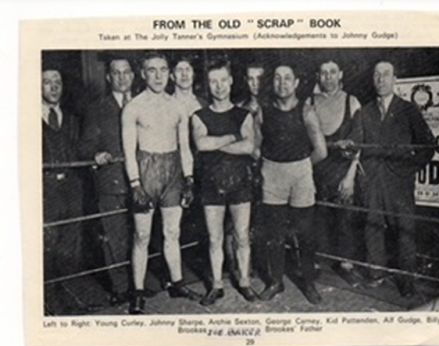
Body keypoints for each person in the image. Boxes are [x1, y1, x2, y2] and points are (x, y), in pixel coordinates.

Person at [121, 51, 201, 314]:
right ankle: (137, 293)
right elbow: (129, 151)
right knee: (142, 235)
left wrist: (189, 178)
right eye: (152, 70)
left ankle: (177, 283)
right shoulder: (133, 107)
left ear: (169, 73)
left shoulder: (178, 106)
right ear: (143, 74)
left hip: (173, 171)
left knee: (172, 232)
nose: (158, 76)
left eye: (163, 70)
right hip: (145, 171)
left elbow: (185, 148)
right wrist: (134, 184)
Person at [350, 61, 435, 297]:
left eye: (386, 74)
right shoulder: (364, 111)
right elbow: (356, 145)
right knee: (372, 228)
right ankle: (376, 275)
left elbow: (428, 146)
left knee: (405, 230)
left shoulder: (408, 110)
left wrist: (407, 171)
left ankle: (407, 282)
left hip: (399, 182)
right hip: (372, 181)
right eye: (376, 74)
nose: (380, 79)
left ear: (395, 79)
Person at [257, 63, 327, 304]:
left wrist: (301, 166)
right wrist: (271, 167)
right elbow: (256, 147)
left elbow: (321, 151)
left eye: (288, 78)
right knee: (273, 233)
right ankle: (276, 282)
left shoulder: (306, 111)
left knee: (305, 233)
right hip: (272, 174)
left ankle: (308, 282)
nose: (282, 83)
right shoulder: (263, 111)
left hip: (300, 173)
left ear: (296, 82)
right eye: (277, 78)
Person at [192, 59, 257, 306]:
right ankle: (216, 286)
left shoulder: (244, 114)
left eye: (223, 80)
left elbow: (249, 146)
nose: (219, 86)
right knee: (215, 237)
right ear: (209, 85)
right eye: (213, 81)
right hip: (211, 183)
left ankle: (244, 282)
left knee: (241, 235)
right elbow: (201, 144)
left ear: (230, 81)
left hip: (240, 182)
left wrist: (215, 141)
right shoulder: (199, 116)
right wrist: (233, 136)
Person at [78, 56, 135, 306]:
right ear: (109, 77)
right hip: (112, 182)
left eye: (126, 72)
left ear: (133, 76)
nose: (122, 78)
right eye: (116, 73)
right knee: (115, 237)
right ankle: (121, 289)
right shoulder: (97, 108)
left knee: (143, 234)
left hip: (144, 181)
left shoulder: (145, 103)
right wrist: (95, 155)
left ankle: (141, 283)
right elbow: (85, 145)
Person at [306, 59, 365, 287]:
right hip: (316, 170)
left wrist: (350, 176)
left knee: (345, 219)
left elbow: (359, 142)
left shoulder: (352, 102)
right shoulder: (310, 103)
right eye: (323, 73)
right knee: (316, 217)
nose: (328, 77)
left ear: (340, 74)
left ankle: (346, 265)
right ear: (318, 76)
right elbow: (304, 142)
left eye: (332, 72)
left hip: (342, 170)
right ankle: (317, 263)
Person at [42, 65, 84, 313]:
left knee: (70, 245)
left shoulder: (73, 120)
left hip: (71, 190)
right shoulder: (25, 118)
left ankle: (69, 298)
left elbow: (81, 149)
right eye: (47, 82)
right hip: (44, 191)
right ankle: (49, 301)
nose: (54, 86)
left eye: (57, 81)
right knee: (47, 244)